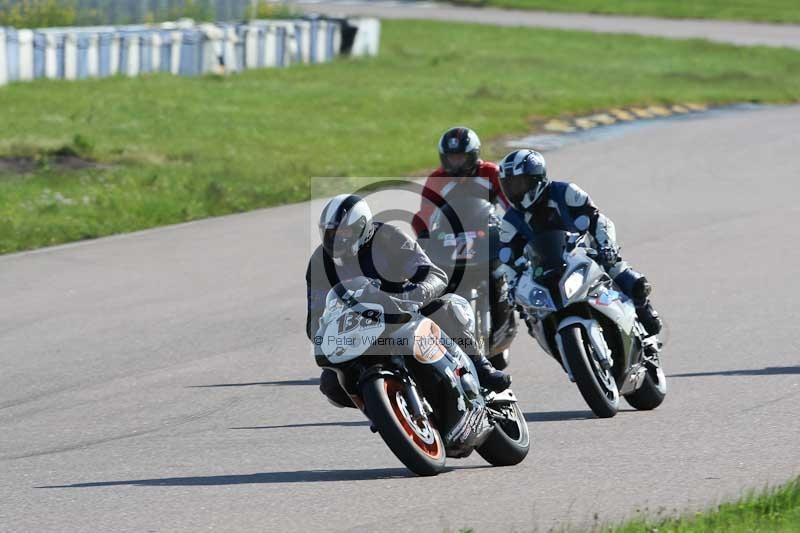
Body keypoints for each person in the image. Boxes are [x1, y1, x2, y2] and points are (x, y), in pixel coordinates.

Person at [306, 194, 511, 408]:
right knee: (331, 384)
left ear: (362, 226)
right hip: (360, 331)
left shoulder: (388, 237)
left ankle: (481, 367)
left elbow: (432, 273)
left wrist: (416, 294)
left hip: (403, 310)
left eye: (343, 232)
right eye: (329, 233)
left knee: (446, 307)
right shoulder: (319, 262)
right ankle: (384, 408)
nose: (335, 240)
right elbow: (315, 319)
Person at [495, 149, 663, 336]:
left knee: (627, 277)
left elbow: (598, 220)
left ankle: (642, 309)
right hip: (542, 270)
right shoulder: (510, 220)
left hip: (584, 254)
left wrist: (606, 245)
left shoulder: (565, 192)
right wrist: (511, 287)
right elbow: (507, 258)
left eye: (519, 184)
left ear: (536, 179)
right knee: (530, 317)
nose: (514, 192)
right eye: (509, 186)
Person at [411, 126, 509, 239]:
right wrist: (424, 235)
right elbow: (425, 214)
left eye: (461, 158)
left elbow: (510, 205)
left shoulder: (491, 172)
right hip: (449, 235)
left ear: (473, 155)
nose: (456, 164)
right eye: (451, 159)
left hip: (487, 232)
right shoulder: (437, 179)